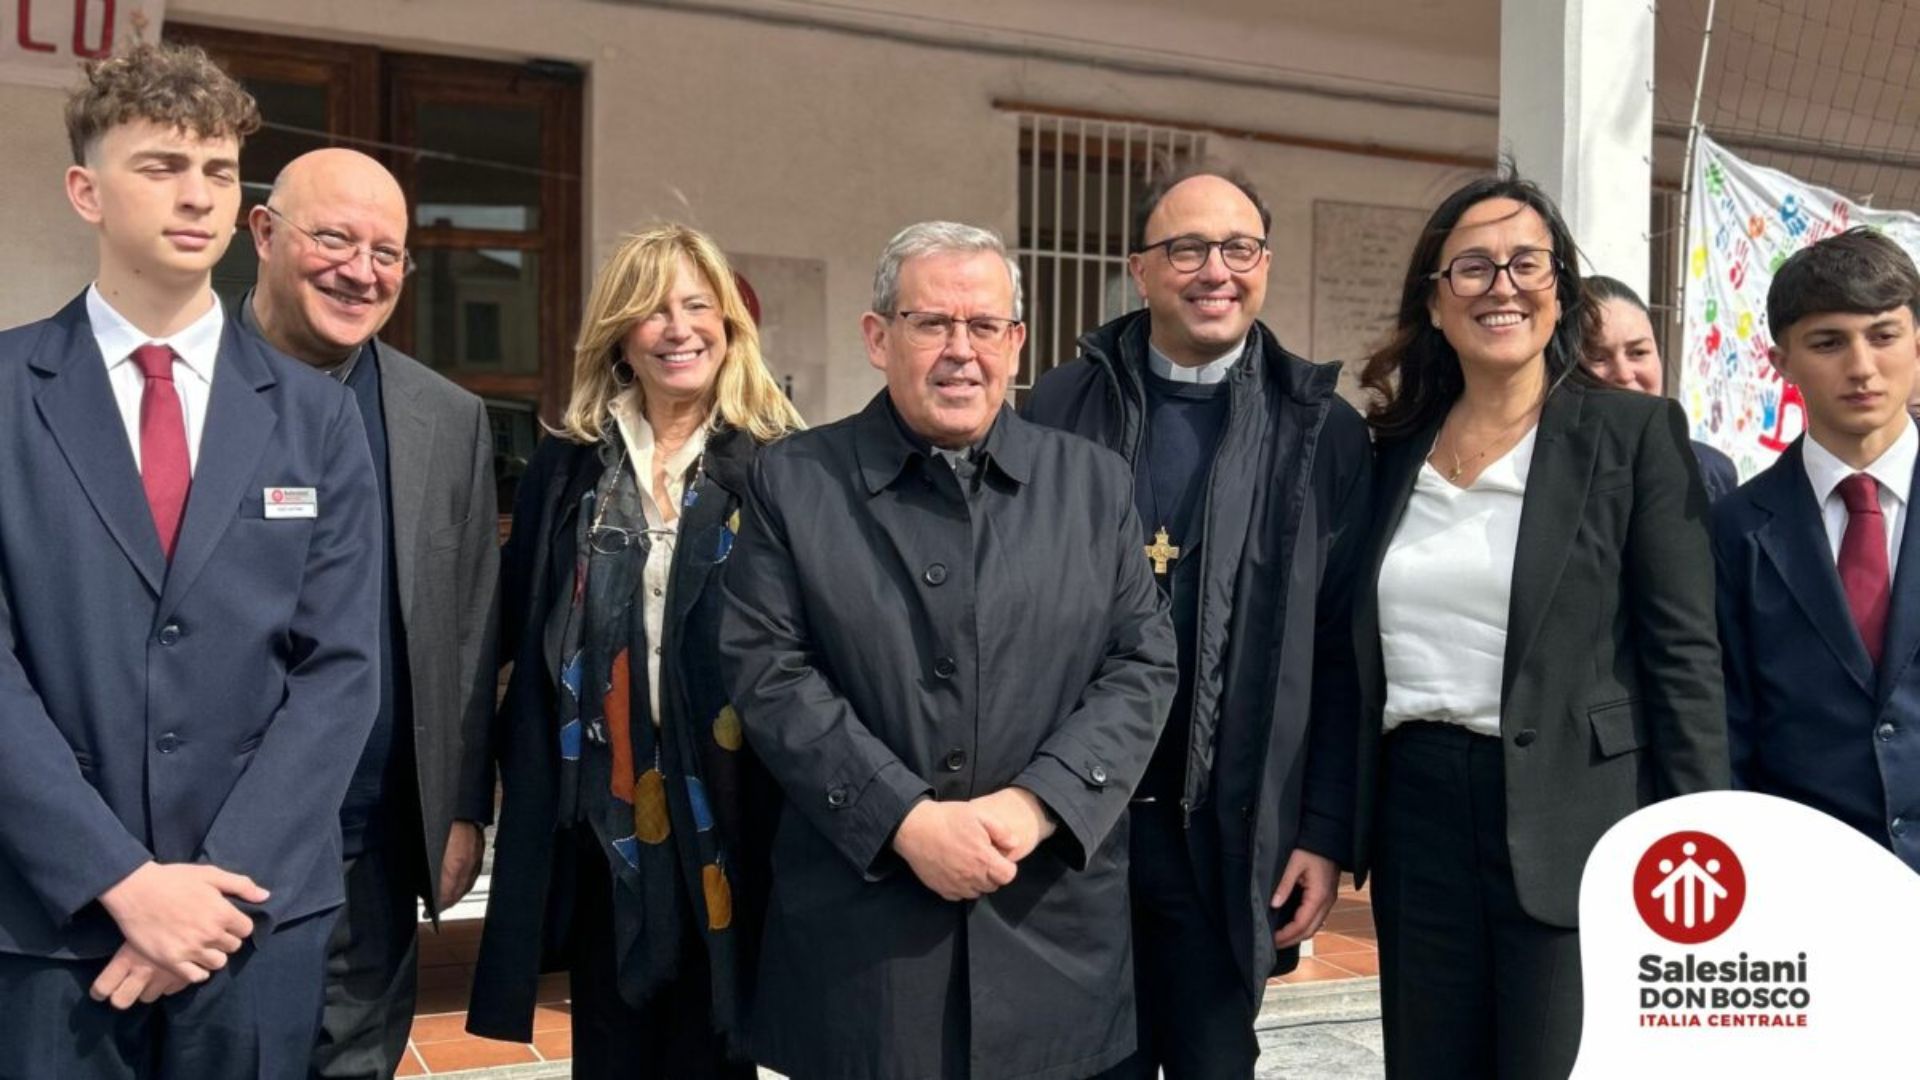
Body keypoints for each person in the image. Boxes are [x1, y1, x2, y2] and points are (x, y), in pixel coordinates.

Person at [0, 44, 381, 1077]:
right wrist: (118, 879)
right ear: (86, 190)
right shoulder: (7, 395)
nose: (198, 195)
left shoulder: (316, 418)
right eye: (162, 166)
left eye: (218, 170)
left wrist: (214, 889)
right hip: (49, 924)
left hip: (249, 922)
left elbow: (340, 671)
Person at [719, 221, 1177, 1080]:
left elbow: (1140, 664)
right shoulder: (795, 481)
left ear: (1017, 344)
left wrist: (1038, 804)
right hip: (865, 943)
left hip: (1047, 920)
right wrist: (904, 820)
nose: (961, 350)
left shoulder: (1093, 484)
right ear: (877, 337)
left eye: (985, 326)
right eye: (931, 323)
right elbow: (769, 671)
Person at [1351, 172, 1727, 1079]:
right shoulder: (1389, 449)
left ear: (1560, 290)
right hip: (1416, 815)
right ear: (1434, 300)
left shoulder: (1633, 434)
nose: (1502, 286)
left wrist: (1700, 844)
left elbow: (1683, 657)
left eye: (1527, 263)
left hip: (1578, 813)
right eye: (1472, 267)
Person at [1024, 164, 1370, 1078]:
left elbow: (1340, 649)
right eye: (1187, 249)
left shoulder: (1322, 430)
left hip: (1225, 832)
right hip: (1075, 829)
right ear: (1140, 270)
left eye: (1239, 248)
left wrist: (1323, 830)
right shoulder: (1059, 406)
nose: (1216, 270)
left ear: (1265, 264)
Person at [467, 224, 803, 1077]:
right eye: (653, 310)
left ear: (728, 326)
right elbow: (509, 630)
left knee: (715, 1048)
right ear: (620, 334)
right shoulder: (568, 467)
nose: (678, 328)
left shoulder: (781, 466)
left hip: (732, 812)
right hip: (598, 818)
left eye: (697, 306)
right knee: (610, 1046)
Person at [235, 147, 499, 1078]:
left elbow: (469, 625)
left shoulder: (447, 418)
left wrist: (461, 809)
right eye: (335, 240)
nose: (361, 271)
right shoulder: (179, 387)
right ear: (262, 233)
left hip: (372, 844)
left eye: (386, 253)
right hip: (205, 840)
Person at [1713, 227, 1920, 873]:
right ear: (1781, 363)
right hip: (1803, 882)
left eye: (1883, 336)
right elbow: (1726, 731)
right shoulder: (1733, 530)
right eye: (1828, 342)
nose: (1861, 367)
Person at [1581, 274, 1741, 500]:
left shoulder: (1712, 473)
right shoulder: (1544, 478)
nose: (1624, 374)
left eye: (1638, 352)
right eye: (1598, 357)